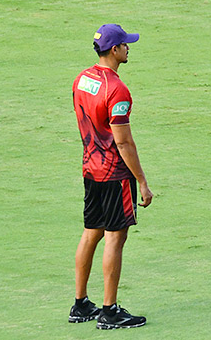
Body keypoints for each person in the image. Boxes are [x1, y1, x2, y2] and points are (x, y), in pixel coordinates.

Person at [70, 24, 155, 329]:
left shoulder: (82, 79)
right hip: (114, 174)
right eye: (125, 45)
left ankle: (80, 305)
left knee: (91, 231)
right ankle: (109, 310)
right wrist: (142, 181)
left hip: (89, 168)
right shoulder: (116, 89)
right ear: (115, 50)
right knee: (115, 238)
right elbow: (123, 142)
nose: (129, 48)